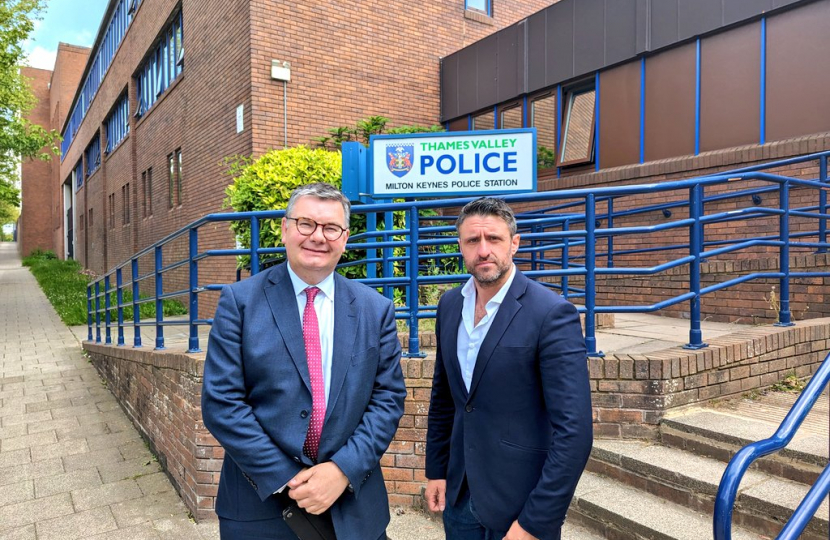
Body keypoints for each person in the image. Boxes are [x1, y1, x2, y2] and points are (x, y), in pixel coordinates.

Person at [202, 182, 406, 540]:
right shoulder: (240, 302)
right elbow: (222, 402)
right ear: (285, 228)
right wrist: (289, 478)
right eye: (306, 223)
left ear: (345, 239)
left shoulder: (376, 310)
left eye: (331, 228)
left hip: (353, 507)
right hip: (261, 507)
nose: (318, 237)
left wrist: (342, 470)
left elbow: (387, 399)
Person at [425, 197, 593, 540]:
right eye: (473, 240)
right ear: (460, 246)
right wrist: (436, 470)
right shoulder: (449, 305)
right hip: (459, 498)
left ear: (514, 243)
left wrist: (536, 522)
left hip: (519, 506)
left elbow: (574, 433)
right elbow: (445, 398)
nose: (483, 250)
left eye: (494, 239)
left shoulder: (551, 313)